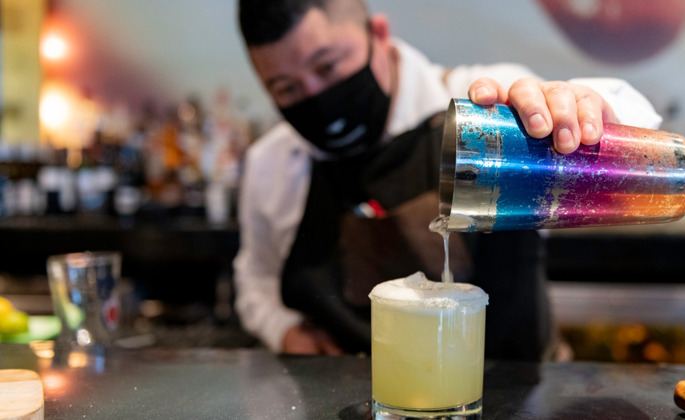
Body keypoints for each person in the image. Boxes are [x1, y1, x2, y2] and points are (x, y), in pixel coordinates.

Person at [233, 0, 662, 359]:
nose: (314, 95)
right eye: (286, 88)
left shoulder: (489, 113)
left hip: (520, 398)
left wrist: (590, 111)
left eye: (327, 67)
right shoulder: (272, 163)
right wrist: (285, 330)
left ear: (378, 34)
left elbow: (624, 113)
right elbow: (255, 277)